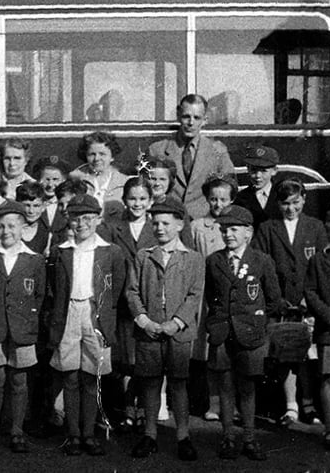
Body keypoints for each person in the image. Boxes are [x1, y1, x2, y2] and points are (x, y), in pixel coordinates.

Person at [48, 194, 126, 457]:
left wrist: (101, 313)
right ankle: (73, 434)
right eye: (76, 218)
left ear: (98, 219)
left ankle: (89, 434)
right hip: (69, 311)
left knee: (92, 376)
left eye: (88, 218)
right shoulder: (61, 251)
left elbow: (115, 290)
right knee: (70, 375)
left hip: (95, 313)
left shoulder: (111, 251)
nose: (81, 224)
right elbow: (53, 289)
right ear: (68, 219)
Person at [127, 197, 204, 461]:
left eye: (166, 223)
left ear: (180, 224)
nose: (160, 228)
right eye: (156, 223)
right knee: (150, 383)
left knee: (179, 384)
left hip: (178, 332)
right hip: (149, 331)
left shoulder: (193, 258)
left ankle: (183, 435)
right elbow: (132, 292)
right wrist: (144, 320)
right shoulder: (143, 256)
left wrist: (176, 322)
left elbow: (195, 295)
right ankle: (149, 434)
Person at [206, 205, 283, 461]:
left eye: (234, 229)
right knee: (225, 386)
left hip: (251, 334)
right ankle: (228, 437)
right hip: (221, 333)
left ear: (248, 232)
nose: (228, 234)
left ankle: (249, 438)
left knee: (248, 387)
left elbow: (273, 300)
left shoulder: (261, 260)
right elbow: (211, 297)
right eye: (224, 229)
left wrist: (255, 323)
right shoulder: (214, 260)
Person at [0, 201, 46, 454]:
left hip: (22, 328)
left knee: (19, 380)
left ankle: (17, 431)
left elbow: (39, 295)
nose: (6, 231)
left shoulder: (34, 260)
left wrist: (27, 321)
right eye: (1, 226)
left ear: (23, 228)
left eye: (12, 226)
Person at [253, 178, 326, 426]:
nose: (291, 208)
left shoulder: (315, 227)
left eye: (296, 202)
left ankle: (309, 403)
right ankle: (291, 406)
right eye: (285, 204)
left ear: (304, 199)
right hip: (280, 301)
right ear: (278, 203)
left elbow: (322, 267)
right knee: (285, 354)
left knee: (307, 355)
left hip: (309, 302)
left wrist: (310, 298)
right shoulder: (267, 228)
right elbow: (262, 265)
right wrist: (277, 299)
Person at [97, 175, 156, 429]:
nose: (137, 203)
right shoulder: (112, 227)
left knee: (144, 357)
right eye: (132, 198)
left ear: (151, 201)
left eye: (143, 198)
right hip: (121, 300)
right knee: (123, 359)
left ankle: (141, 407)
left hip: (147, 299)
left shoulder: (157, 227)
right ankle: (123, 408)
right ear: (124, 201)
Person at [190, 175, 238, 422]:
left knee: (232, 351)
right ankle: (214, 403)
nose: (218, 204)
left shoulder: (239, 225)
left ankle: (234, 405)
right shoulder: (198, 226)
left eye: (223, 199)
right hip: (208, 296)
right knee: (211, 351)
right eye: (213, 199)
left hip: (234, 296)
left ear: (231, 200)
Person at [148, 94, 235, 220]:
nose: (191, 123)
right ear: (178, 115)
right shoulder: (157, 150)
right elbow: (145, 190)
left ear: (205, 119)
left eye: (197, 118)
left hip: (203, 222)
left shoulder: (217, 151)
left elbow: (229, 188)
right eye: (186, 116)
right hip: (167, 220)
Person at [303, 208, 330, 451]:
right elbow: (310, 291)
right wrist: (329, 316)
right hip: (329, 330)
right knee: (329, 379)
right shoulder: (319, 260)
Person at [72, 131, 128, 214]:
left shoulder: (124, 182)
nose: (97, 158)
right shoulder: (77, 180)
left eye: (102, 154)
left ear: (112, 156)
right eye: (92, 154)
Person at [234, 145, 281, 232]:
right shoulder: (241, 198)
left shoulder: (282, 193)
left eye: (264, 171)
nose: (258, 176)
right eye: (254, 170)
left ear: (274, 170)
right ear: (248, 169)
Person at [17, 181, 50, 255]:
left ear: (43, 206)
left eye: (36, 206)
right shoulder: (9, 229)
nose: (31, 211)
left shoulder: (46, 233)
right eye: (27, 205)